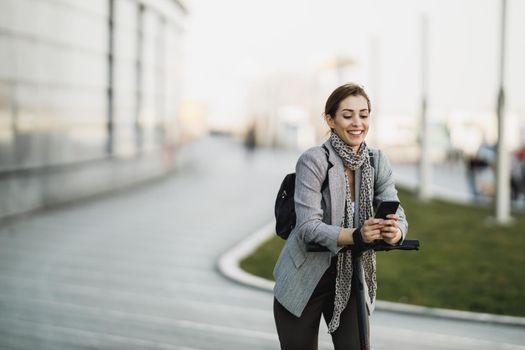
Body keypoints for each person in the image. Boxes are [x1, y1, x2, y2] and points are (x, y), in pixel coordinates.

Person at [273, 83, 408, 349]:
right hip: (304, 279)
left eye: (364, 114)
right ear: (330, 120)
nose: (357, 123)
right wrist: (357, 235)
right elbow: (308, 227)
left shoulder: (377, 161)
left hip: (350, 278)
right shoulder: (314, 160)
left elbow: (397, 209)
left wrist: (396, 232)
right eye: (347, 115)